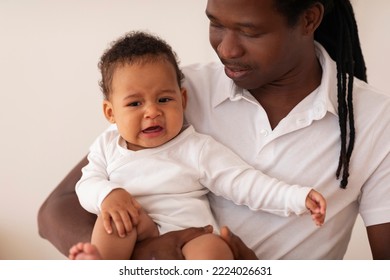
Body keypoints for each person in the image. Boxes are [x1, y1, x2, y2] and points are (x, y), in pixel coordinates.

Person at [38, 0, 390, 260]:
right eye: (216, 24)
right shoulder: (172, 91)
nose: (226, 48)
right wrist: (143, 258)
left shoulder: (373, 119)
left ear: (309, 19)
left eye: (250, 31)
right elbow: (57, 208)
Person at [67, 31, 325, 260]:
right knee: (113, 221)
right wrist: (108, 194)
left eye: (164, 99)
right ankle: (100, 265)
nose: (152, 112)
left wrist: (296, 197)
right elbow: (85, 185)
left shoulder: (196, 148)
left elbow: (244, 182)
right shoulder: (107, 145)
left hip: (190, 236)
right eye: (135, 104)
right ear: (110, 113)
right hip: (136, 226)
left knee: (215, 249)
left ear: (183, 99)